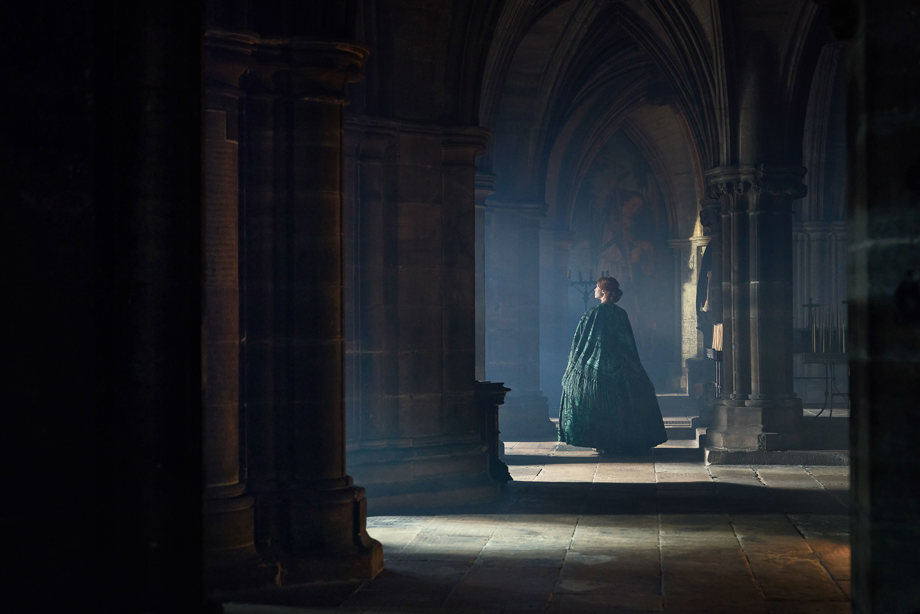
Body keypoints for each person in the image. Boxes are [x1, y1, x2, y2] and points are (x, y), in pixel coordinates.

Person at [558, 276, 667, 456]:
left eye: (597, 287)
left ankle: (601, 440)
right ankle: (621, 439)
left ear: (603, 291)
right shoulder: (620, 314)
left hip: (597, 367)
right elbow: (627, 342)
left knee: (598, 401)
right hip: (621, 364)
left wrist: (576, 362)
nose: (594, 289)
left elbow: (581, 342)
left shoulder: (591, 314)